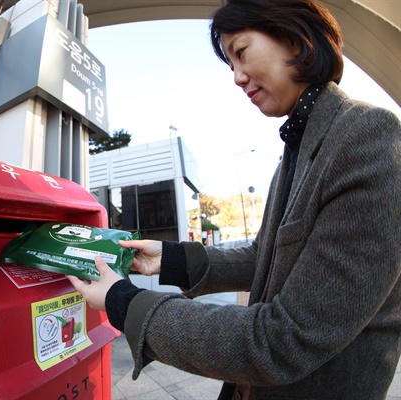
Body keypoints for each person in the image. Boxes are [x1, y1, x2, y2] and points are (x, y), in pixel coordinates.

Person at [67, 0, 401, 399]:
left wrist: (125, 302)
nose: (237, 78)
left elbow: (283, 341)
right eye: (230, 65)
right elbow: (266, 254)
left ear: (295, 39)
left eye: (240, 53)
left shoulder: (369, 136)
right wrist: (170, 258)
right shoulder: (299, 147)